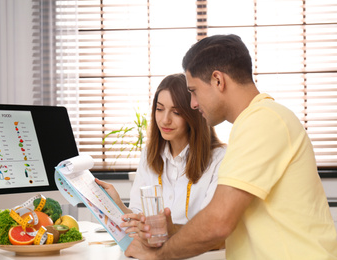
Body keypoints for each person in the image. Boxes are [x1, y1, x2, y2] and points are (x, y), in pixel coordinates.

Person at [124, 34, 337, 259]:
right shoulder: (255, 122)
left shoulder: (263, 121)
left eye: (194, 91)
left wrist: (158, 256)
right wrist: (172, 230)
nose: (193, 103)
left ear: (218, 80)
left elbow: (218, 223)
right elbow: (225, 229)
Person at [96, 73, 226, 242]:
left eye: (176, 112)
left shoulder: (219, 158)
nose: (165, 120)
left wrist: (170, 230)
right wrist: (117, 204)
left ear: (193, 114)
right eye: (159, 109)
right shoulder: (149, 155)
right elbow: (138, 219)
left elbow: (213, 228)